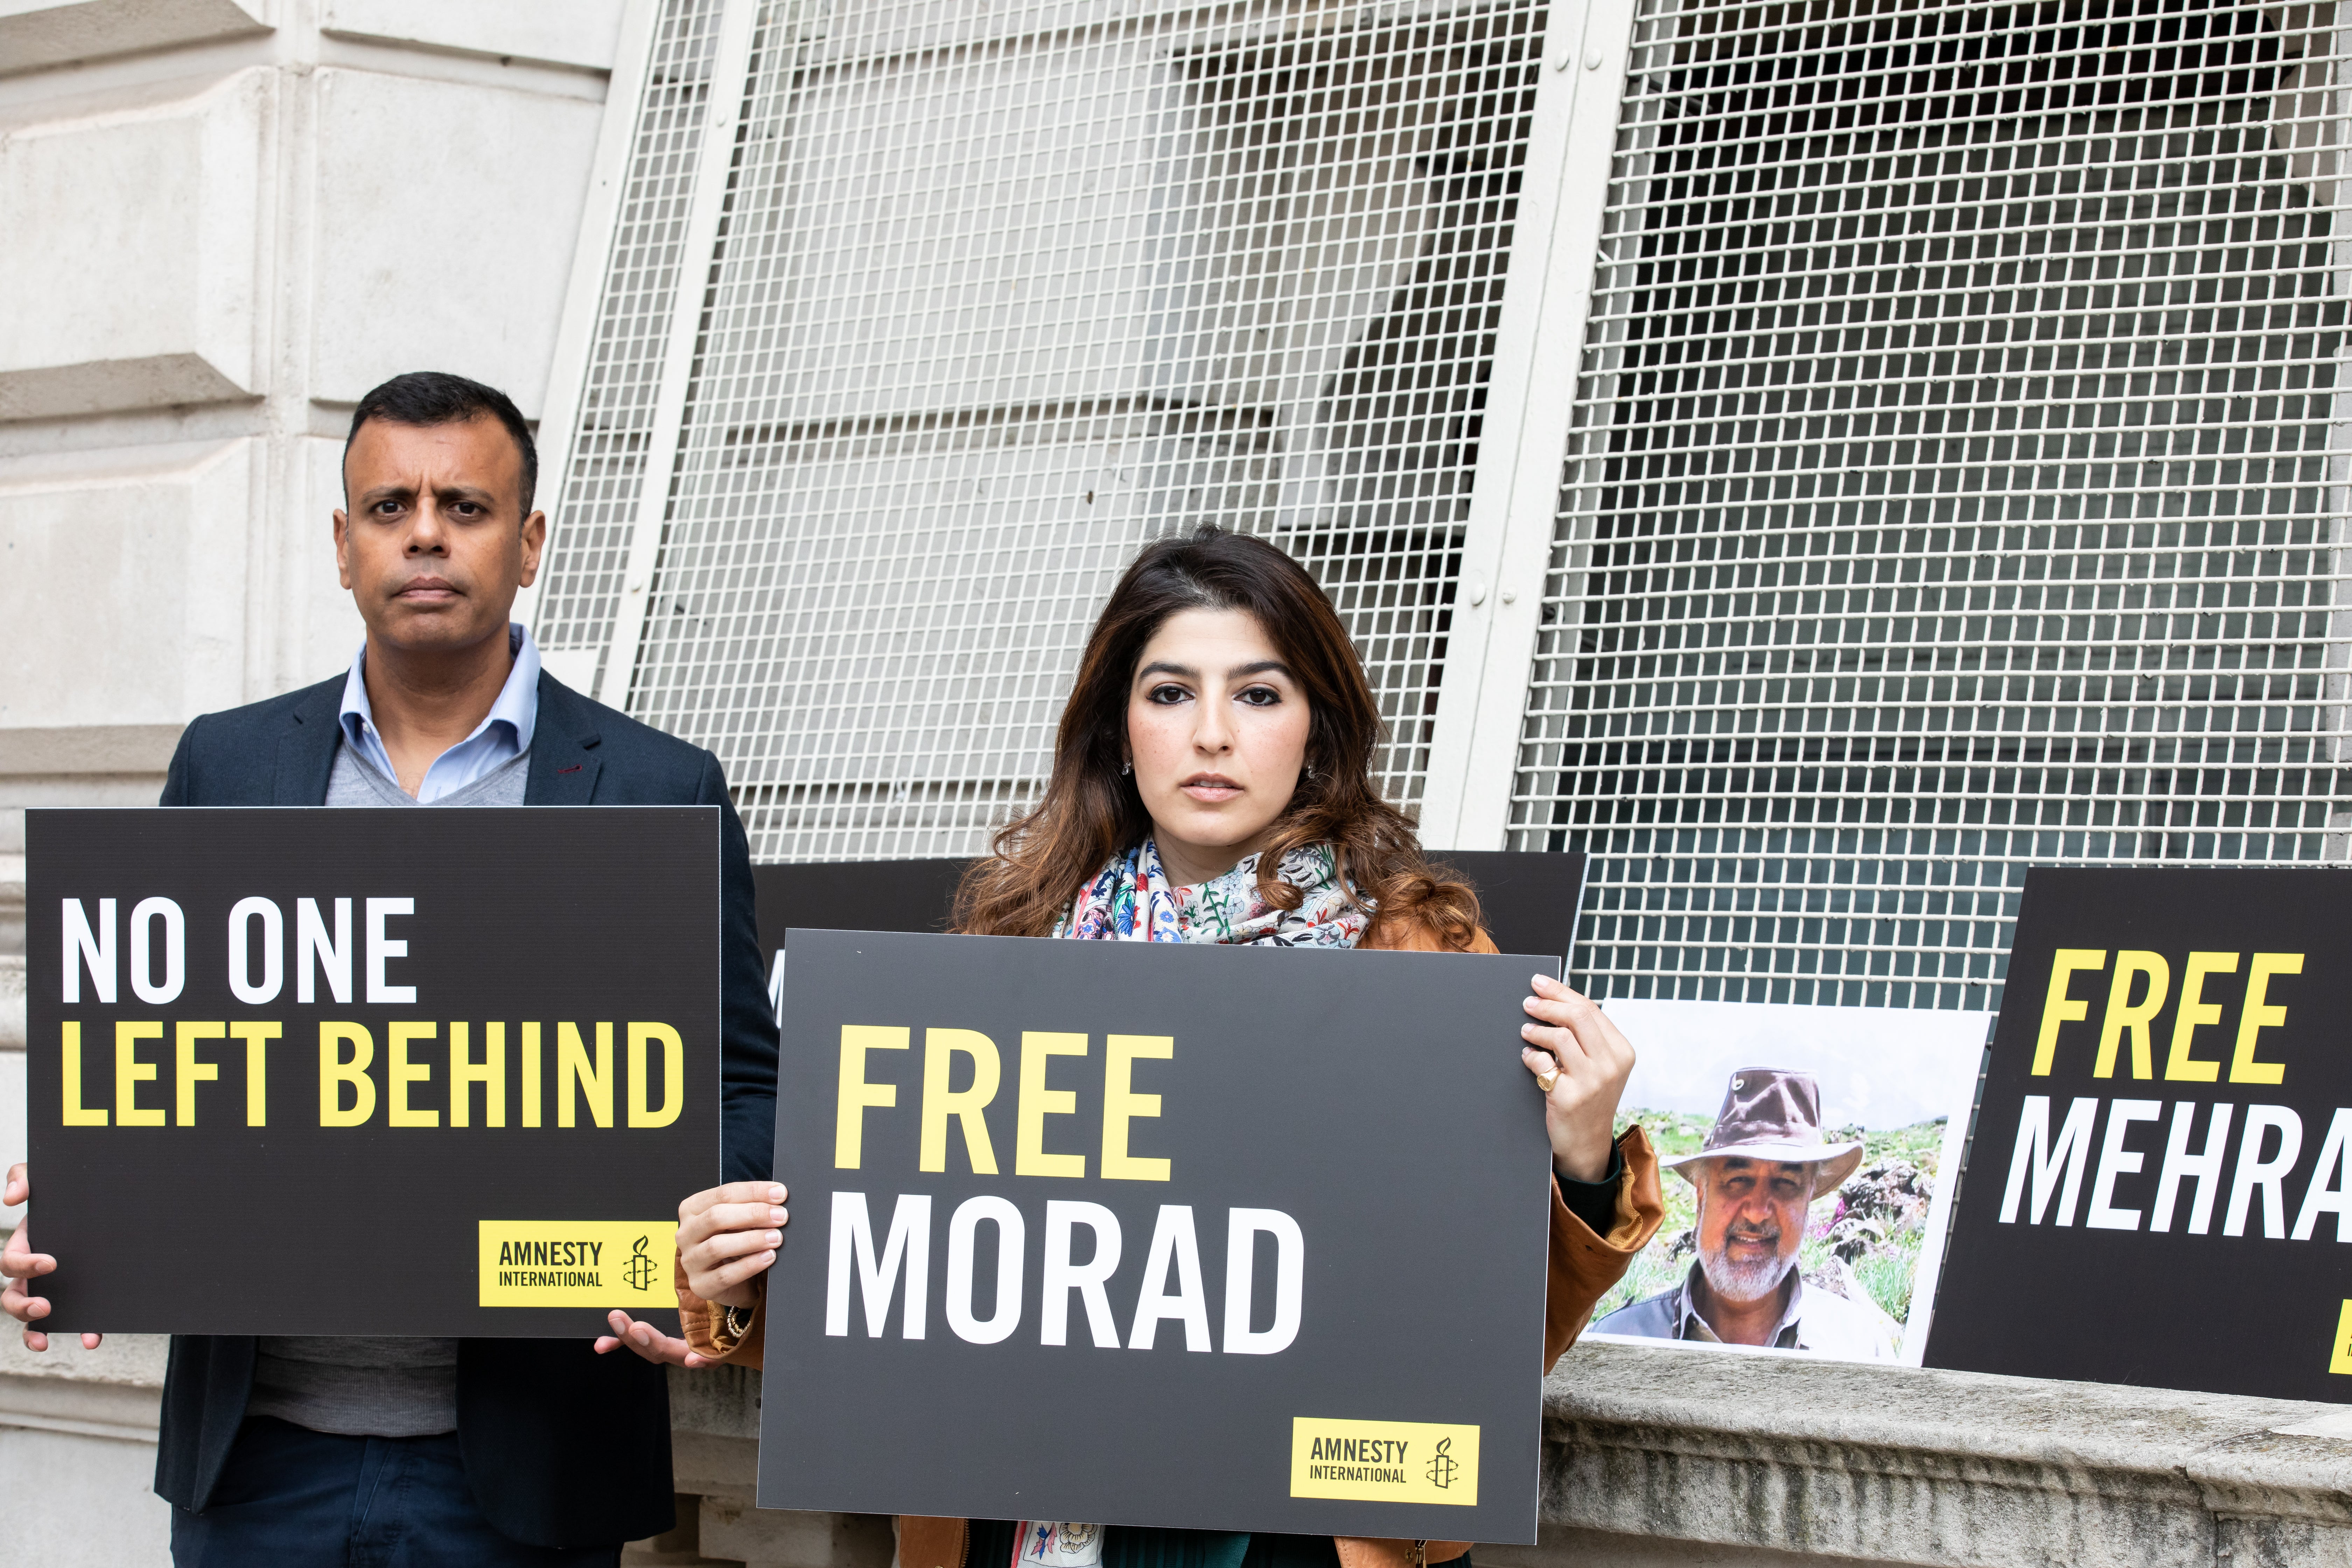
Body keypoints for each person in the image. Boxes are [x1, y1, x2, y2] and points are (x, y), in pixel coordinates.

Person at [613, 526, 1668, 1568]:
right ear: (1119, 725)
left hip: (1296, 1539)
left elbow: (1483, 1341)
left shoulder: (1422, 965)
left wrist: (1577, 1165)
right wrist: (737, 1282)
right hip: (1014, 1522)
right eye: (1170, 692)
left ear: (1318, 729)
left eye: (1257, 693)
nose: (1211, 732)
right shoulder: (1003, 955)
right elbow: (911, 1292)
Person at [0, 372, 780, 1564]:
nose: (424, 532)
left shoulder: (655, 786)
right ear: (343, 543)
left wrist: (693, 1249)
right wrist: (86, 1205)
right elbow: (163, 1056)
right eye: (390, 506)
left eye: (464, 507)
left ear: (527, 545)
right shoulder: (231, 765)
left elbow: (741, 1085)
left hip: (531, 1472)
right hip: (258, 1466)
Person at [1592, 1068, 1898, 1360]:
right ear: (1701, 1197)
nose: (1757, 1212)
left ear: (1808, 1203)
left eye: (1786, 1183)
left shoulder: (1859, 1346)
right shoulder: (1617, 1340)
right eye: (1738, 1181)